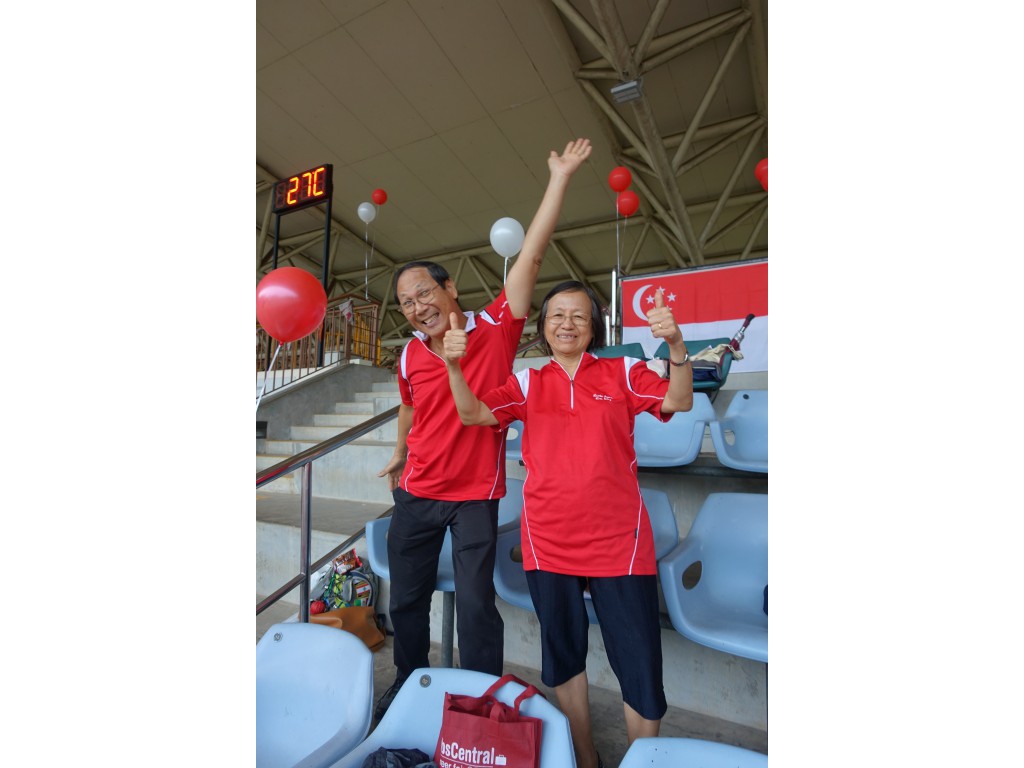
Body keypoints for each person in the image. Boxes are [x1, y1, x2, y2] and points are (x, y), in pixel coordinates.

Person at [373, 138, 593, 720]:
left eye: (424, 293)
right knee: (408, 602)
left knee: (476, 608)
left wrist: (559, 178)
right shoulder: (409, 354)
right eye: (406, 303)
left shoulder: (495, 326)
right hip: (416, 494)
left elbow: (533, 259)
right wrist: (399, 451)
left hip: (474, 496)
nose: (416, 307)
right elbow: (408, 407)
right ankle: (408, 682)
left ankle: (478, 699)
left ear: (450, 289)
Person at [441, 282, 693, 768]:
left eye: (578, 315)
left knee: (639, 660)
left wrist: (676, 348)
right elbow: (472, 413)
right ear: (543, 327)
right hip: (548, 539)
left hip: (620, 541)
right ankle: (585, 755)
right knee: (562, 652)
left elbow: (678, 401)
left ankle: (643, 761)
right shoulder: (528, 382)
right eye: (557, 315)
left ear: (593, 327)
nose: (567, 324)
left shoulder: (623, 371)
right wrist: (454, 366)